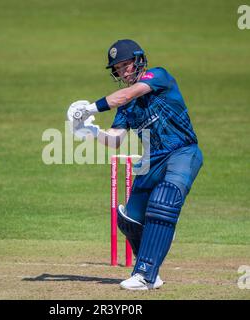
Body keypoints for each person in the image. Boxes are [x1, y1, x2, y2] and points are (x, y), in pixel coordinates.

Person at [67, 39, 203, 290]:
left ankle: (145, 275)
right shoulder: (126, 106)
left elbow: (127, 94)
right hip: (152, 159)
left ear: (139, 61)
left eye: (126, 65)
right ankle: (155, 256)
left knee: (163, 202)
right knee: (129, 219)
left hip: (182, 151)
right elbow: (116, 140)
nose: (123, 71)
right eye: (118, 68)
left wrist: (89, 108)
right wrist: (90, 131)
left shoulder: (158, 76)